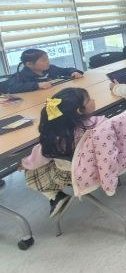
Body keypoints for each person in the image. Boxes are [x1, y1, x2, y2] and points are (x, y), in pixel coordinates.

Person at [21, 88, 95, 217]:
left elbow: (36, 161)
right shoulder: (98, 122)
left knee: (30, 173)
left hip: (77, 173)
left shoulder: (58, 138)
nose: (93, 100)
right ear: (79, 110)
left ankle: (54, 196)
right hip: (97, 165)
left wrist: (24, 163)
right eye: (89, 99)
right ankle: (56, 197)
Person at [6, 49, 83, 94]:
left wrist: (74, 72)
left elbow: (65, 70)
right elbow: (12, 88)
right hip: (34, 102)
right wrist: (37, 85)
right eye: (44, 60)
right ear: (29, 64)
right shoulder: (21, 75)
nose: (48, 62)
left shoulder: (51, 68)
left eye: (47, 59)